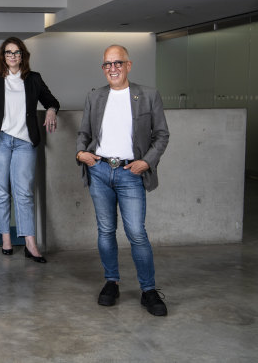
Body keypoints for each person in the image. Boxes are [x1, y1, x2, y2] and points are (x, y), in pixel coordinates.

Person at [76, 45, 170, 316]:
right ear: (103, 68)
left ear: (129, 65)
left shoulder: (148, 95)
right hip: (100, 170)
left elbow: (161, 135)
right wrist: (81, 153)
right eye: (107, 64)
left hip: (131, 173)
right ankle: (111, 282)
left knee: (137, 234)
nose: (112, 68)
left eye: (118, 63)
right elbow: (84, 132)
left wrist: (147, 161)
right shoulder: (95, 96)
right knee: (105, 231)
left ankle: (148, 290)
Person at [0, 37, 60, 263]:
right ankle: (6, 239)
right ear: (3, 56)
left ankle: (30, 243)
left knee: (24, 193)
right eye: (8, 52)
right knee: (1, 193)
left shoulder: (33, 79)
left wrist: (51, 110)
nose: (13, 56)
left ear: (23, 55)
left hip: (25, 142)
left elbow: (52, 100)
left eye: (17, 52)